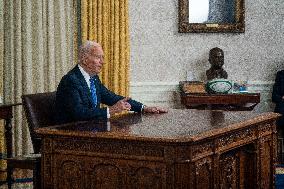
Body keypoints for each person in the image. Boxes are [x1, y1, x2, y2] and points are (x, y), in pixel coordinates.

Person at [55, 40, 167, 124]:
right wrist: (110, 110)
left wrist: (144, 108)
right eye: (98, 57)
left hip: (90, 129)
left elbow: (113, 98)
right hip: (70, 134)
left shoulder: (93, 78)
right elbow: (79, 113)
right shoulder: (70, 80)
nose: (102, 62)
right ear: (85, 59)